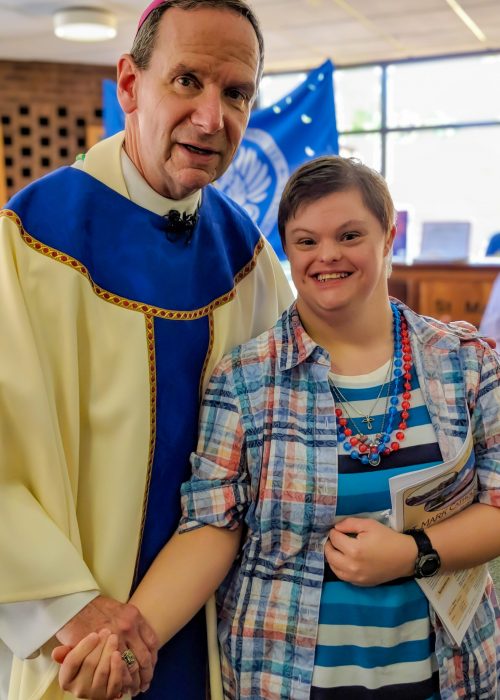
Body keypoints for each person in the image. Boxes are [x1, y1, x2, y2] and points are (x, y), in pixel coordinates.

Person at [57, 155, 500, 699]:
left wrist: (411, 554)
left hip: (449, 678)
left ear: (388, 236)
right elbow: (211, 526)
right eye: (306, 241)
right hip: (285, 681)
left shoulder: (466, 363)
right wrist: (129, 641)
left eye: (350, 234)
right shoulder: (244, 380)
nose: (327, 256)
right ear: (285, 250)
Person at [0, 1, 293, 698]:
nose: (211, 118)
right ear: (130, 85)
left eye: (236, 93)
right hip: (77, 645)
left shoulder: (247, 257)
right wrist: (71, 608)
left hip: (219, 633)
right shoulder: (30, 242)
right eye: (187, 81)